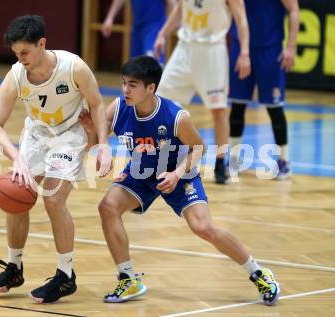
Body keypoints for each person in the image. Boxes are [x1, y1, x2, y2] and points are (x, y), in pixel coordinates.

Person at [81, 56, 280, 305]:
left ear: (150, 88)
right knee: (107, 207)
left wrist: (176, 174)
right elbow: (95, 144)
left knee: (204, 228)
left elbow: (199, 148)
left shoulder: (176, 116)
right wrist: (92, 131)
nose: (125, 90)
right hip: (141, 173)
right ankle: (128, 278)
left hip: (178, 171)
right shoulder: (119, 108)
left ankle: (258, 273)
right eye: (124, 83)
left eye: (132, 85)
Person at [0, 15, 111, 304]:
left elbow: (96, 103)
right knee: (17, 192)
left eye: (25, 52)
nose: (21, 59)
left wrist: (103, 144)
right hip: (36, 135)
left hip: (69, 134)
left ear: (42, 44)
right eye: (16, 53)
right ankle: (14, 266)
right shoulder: (17, 73)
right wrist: (16, 157)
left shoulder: (73, 67)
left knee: (53, 198)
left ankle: (66, 275)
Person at [153, 0, 251, 184]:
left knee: (218, 111)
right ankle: (164, 156)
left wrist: (245, 53)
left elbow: (241, 19)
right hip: (185, 48)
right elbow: (180, 9)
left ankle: (221, 164)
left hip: (212, 51)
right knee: (159, 101)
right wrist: (162, 33)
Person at [228, 0, 299, 180]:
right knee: (237, 106)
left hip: (270, 49)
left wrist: (291, 46)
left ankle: (284, 160)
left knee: (274, 107)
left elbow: (294, 10)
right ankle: (234, 159)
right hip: (240, 47)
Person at [101, 0, 176, 62]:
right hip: (137, 28)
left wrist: (179, 23)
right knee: (136, 68)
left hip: (155, 27)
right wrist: (110, 17)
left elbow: (173, 4)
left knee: (152, 64)